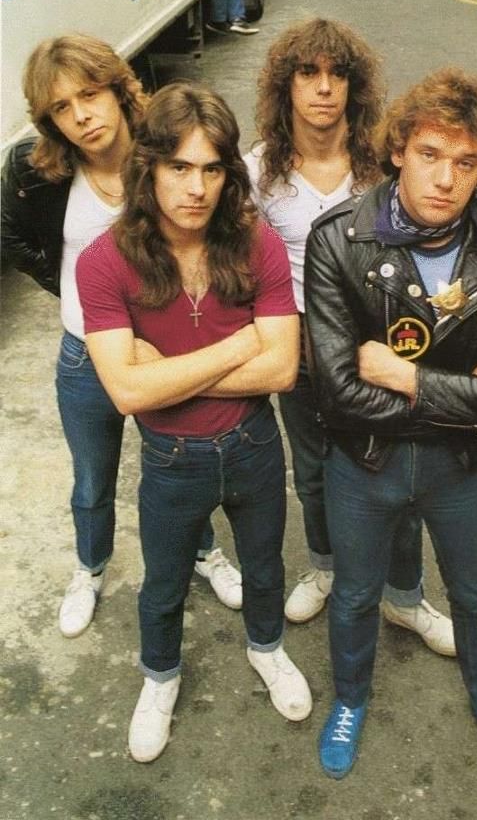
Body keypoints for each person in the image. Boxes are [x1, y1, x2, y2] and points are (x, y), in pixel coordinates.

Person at [304, 67, 477, 780]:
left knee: (474, 591)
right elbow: (336, 394)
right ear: (398, 150)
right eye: (430, 155)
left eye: (466, 162)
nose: (445, 178)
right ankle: (349, 700)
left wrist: (407, 378)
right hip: (364, 463)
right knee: (353, 593)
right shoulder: (338, 240)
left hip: (461, 474)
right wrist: (462, 398)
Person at [76, 82, 311, 762]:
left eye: (211, 169)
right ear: (147, 167)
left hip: (253, 446)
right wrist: (242, 345)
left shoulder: (256, 243)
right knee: (163, 582)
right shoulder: (104, 262)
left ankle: (266, 650)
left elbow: (280, 371)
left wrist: (172, 367)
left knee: (265, 567)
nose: (196, 187)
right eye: (179, 166)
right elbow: (125, 390)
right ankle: (160, 678)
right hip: (172, 461)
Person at [0, 35, 242, 639]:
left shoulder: (164, 156)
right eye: (61, 107)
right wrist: (75, 298)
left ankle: (205, 553)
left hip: (167, 351)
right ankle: (90, 567)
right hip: (87, 354)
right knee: (92, 476)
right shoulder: (39, 174)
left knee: (184, 465)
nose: (81, 115)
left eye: (89, 94)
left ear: (118, 88)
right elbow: (14, 240)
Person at [247, 17, 454, 656]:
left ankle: (405, 596)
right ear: (286, 88)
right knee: (312, 470)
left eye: (337, 75)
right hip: (299, 348)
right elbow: (239, 264)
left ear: (354, 89)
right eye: (308, 74)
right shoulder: (258, 172)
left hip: (377, 348)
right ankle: (326, 566)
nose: (323, 89)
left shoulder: (379, 171)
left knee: (396, 471)